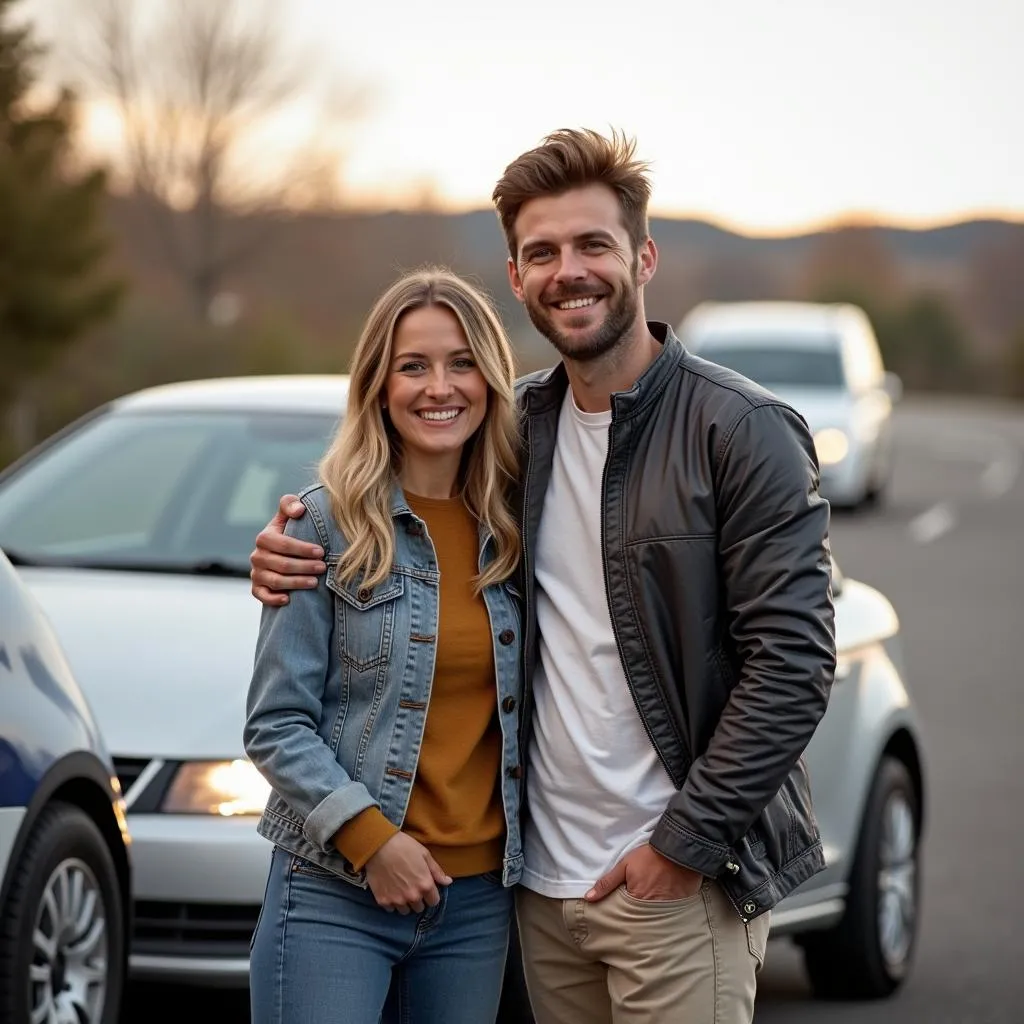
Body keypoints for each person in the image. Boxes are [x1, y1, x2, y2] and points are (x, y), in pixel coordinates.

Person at [250, 130, 836, 1024]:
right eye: (543, 253)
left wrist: (681, 848)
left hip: (672, 888)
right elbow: (396, 512)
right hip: (537, 897)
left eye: (593, 244)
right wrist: (287, 539)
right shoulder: (516, 434)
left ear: (642, 255)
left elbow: (793, 664)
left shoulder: (739, 430)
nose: (571, 271)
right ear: (517, 279)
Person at [243, 267, 525, 1024]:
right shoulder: (322, 528)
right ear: (379, 383)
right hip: (336, 889)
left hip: (475, 907)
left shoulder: (522, 529)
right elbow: (275, 723)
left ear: (492, 378)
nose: (441, 386)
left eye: (462, 362)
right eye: (414, 366)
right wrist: (372, 841)